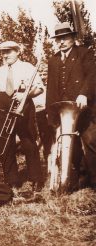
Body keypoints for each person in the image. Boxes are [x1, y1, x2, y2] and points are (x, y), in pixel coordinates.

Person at [46, 22, 96, 189]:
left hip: (85, 109)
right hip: (65, 112)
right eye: (58, 39)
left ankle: (95, 181)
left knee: (90, 141)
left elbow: (92, 75)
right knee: (70, 147)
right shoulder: (53, 60)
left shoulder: (84, 53)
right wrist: (52, 116)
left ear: (73, 38)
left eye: (65, 38)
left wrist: (84, 94)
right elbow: (51, 89)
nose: (61, 42)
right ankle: (80, 179)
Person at [0, 41, 44, 188]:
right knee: (6, 142)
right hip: (3, 105)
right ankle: (12, 181)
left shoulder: (27, 67)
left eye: (9, 51)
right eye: (3, 52)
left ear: (18, 51)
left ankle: (36, 178)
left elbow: (39, 88)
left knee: (27, 140)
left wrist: (25, 96)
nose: (5, 55)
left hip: (23, 104)